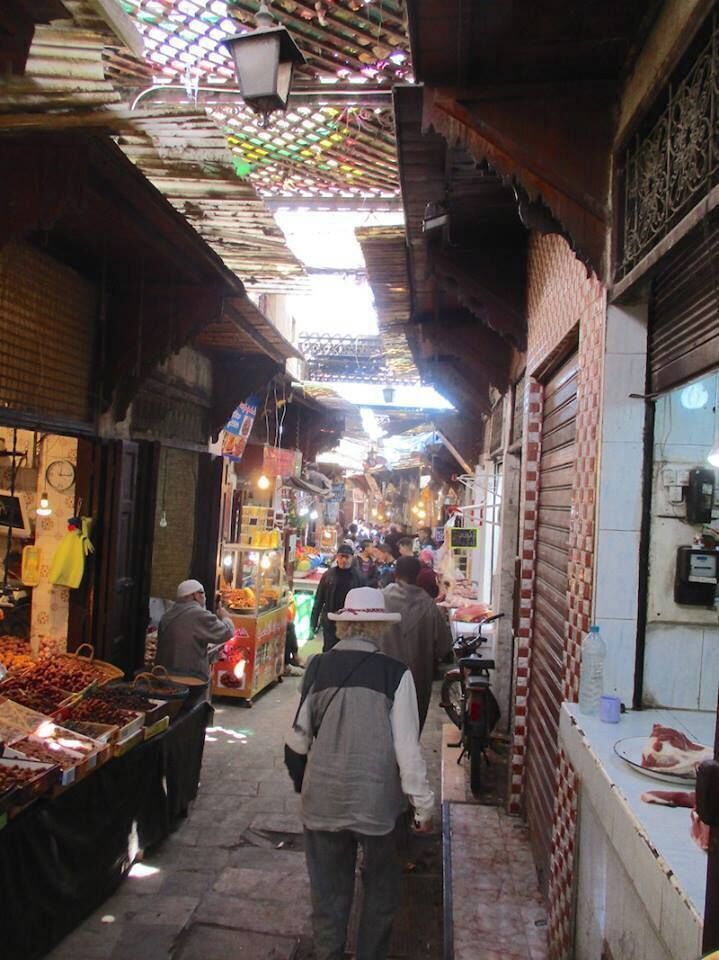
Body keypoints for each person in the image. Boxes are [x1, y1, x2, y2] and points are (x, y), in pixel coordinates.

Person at [285, 587, 434, 960]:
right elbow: (407, 750)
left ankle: (329, 954)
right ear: (379, 627)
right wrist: (422, 806)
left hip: (323, 801)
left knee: (328, 895)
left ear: (344, 626)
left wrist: (306, 784)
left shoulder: (317, 667)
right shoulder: (396, 674)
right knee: (381, 893)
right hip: (377, 804)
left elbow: (297, 741)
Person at [381, 557, 452, 730]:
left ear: (395, 573)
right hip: (417, 679)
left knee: (384, 727)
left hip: (383, 677)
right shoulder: (429, 606)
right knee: (411, 730)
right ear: (417, 575)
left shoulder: (380, 600)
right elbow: (443, 647)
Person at [155, 579, 234, 699]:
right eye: (202, 593)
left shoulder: (168, 615)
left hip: (164, 676)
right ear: (195, 595)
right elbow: (227, 632)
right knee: (193, 706)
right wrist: (225, 617)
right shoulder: (198, 614)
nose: (204, 597)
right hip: (190, 679)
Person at [310, 544, 364, 651]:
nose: (344, 560)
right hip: (331, 620)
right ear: (337, 557)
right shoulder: (328, 575)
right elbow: (319, 599)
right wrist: (313, 622)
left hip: (350, 622)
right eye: (341, 556)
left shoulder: (359, 577)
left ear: (352, 558)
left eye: (347, 557)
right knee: (329, 650)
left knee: (348, 651)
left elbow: (363, 602)